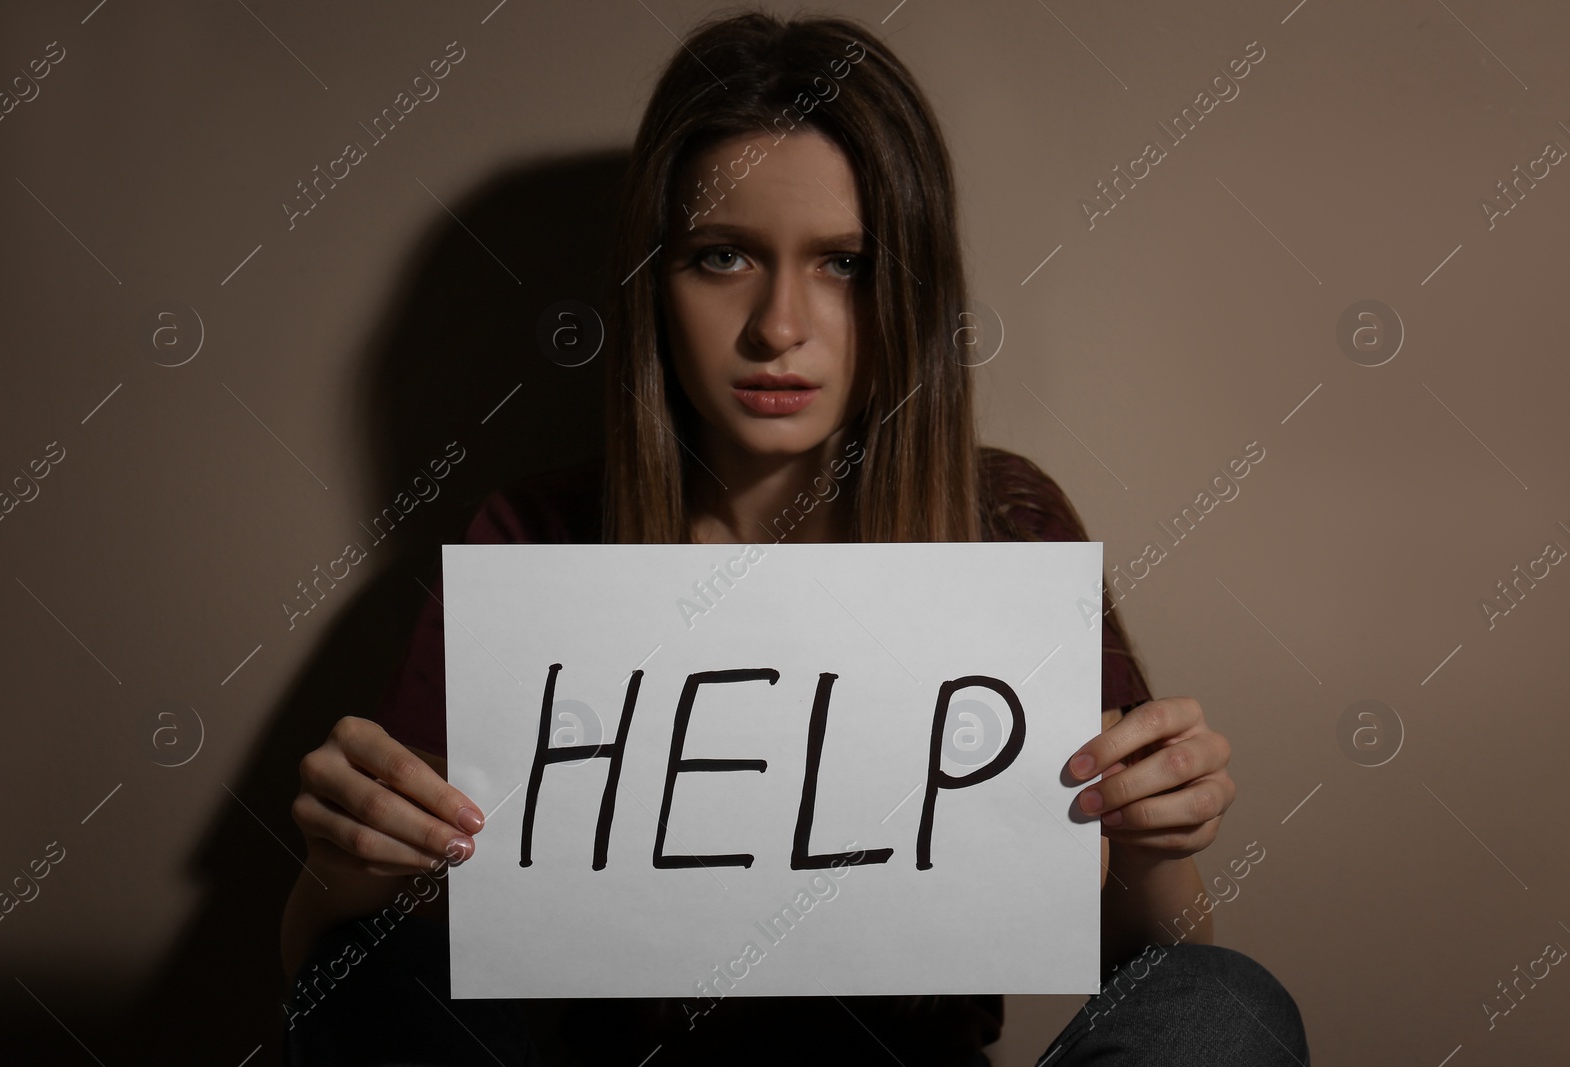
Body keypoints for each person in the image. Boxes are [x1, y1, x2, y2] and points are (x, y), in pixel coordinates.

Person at [279, 11, 1309, 1066]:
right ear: (653, 281)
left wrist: (1153, 833)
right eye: (721, 256)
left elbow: (1152, 950)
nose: (780, 323)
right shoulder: (535, 545)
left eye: (844, 263)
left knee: (1222, 1001)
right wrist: (346, 852)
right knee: (377, 969)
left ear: (908, 288)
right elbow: (336, 967)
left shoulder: (1002, 522)